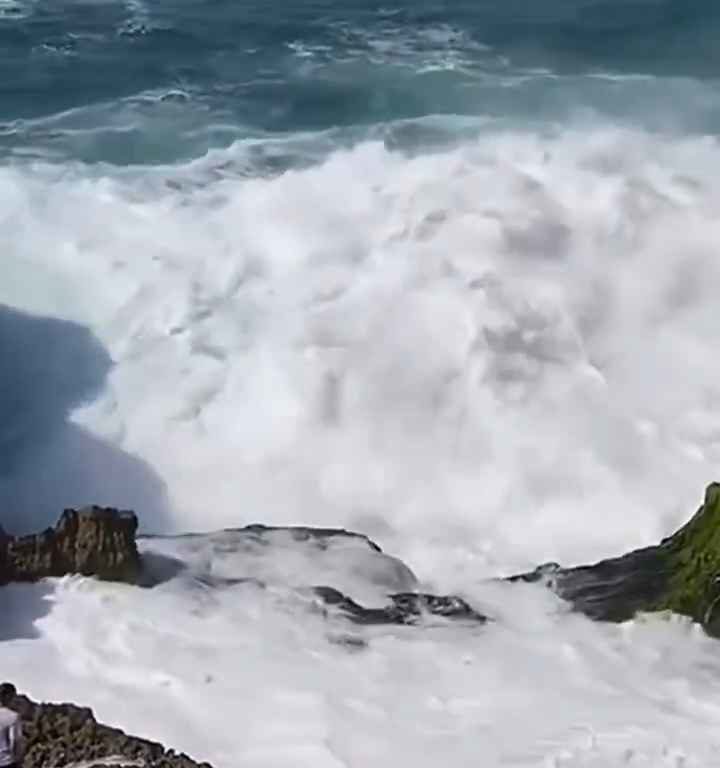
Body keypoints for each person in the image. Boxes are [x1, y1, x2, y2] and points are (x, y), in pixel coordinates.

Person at [0, 684, 23, 768]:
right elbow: (14, 741)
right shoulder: (13, 716)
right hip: (6, 762)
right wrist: (18, 761)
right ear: (9, 696)